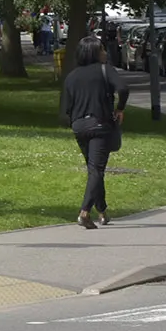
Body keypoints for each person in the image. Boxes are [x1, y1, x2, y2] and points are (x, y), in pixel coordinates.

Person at [62, 36, 128, 229]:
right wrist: (119, 108)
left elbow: (66, 107)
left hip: (79, 126)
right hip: (99, 124)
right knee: (97, 170)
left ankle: (102, 211)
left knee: (94, 171)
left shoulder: (71, 76)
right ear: (94, 52)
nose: (105, 53)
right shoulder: (104, 70)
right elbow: (123, 89)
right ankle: (84, 212)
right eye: (102, 49)